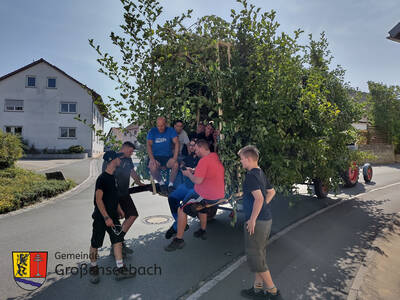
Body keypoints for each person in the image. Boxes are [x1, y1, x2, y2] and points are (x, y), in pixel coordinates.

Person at [164, 139, 225, 251]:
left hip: (206, 194)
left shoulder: (203, 161)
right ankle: (202, 230)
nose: (195, 151)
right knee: (201, 207)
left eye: (196, 149)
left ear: (201, 148)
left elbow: (197, 181)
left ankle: (179, 240)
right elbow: (205, 172)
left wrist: (188, 174)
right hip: (217, 194)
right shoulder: (214, 156)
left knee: (182, 209)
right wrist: (192, 170)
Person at [238, 145, 280, 299]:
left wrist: (253, 218)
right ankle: (257, 289)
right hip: (265, 219)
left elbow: (260, 198)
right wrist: (262, 208)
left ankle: (273, 291)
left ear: (249, 159)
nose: (241, 162)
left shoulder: (250, 176)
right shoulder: (260, 172)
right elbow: (271, 192)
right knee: (259, 255)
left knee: (255, 257)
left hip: (258, 222)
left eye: (242, 159)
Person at [89, 151, 136, 283]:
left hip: (113, 218)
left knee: (118, 240)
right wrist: (106, 217)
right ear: (112, 160)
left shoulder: (113, 177)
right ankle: (93, 268)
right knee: (95, 243)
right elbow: (98, 200)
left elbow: (113, 197)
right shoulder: (102, 179)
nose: (120, 159)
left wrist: (119, 209)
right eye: (118, 158)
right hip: (101, 218)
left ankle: (120, 269)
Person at [102, 141, 144, 256]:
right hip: (113, 195)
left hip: (124, 193)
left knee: (132, 215)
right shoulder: (111, 158)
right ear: (124, 148)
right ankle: (118, 245)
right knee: (117, 220)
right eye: (130, 151)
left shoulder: (128, 159)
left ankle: (118, 240)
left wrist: (139, 183)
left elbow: (132, 172)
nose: (131, 154)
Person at [165, 139, 200, 239]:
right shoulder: (188, 158)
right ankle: (178, 222)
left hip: (197, 187)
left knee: (183, 207)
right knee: (171, 198)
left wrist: (192, 170)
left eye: (194, 145)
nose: (192, 147)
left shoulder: (202, 158)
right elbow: (182, 166)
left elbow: (201, 170)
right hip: (187, 185)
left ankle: (176, 227)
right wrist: (184, 168)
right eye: (191, 145)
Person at [147, 117, 179, 193]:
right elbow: (149, 145)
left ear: (166, 124)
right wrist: (152, 159)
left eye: (162, 126)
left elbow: (177, 143)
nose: (160, 128)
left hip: (167, 156)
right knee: (152, 166)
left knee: (176, 164)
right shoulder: (152, 131)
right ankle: (161, 183)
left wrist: (174, 158)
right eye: (158, 126)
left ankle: (171, 184)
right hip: (156, 156)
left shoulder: (170, 130)